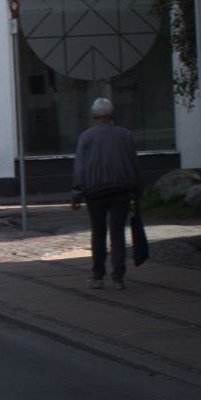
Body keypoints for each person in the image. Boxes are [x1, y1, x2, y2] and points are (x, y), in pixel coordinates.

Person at [71, 97, 142, 289]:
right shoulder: (125, 135)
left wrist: (76, 193)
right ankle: (118, 277)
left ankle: (97, 276)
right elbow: (134, 163)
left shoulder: (86, 137)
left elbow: (79, 167)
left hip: (95, 191)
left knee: (98, 233)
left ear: (94, 115)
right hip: (121, 190)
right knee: (117, 233)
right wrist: (137, 190)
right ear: (112, 115)